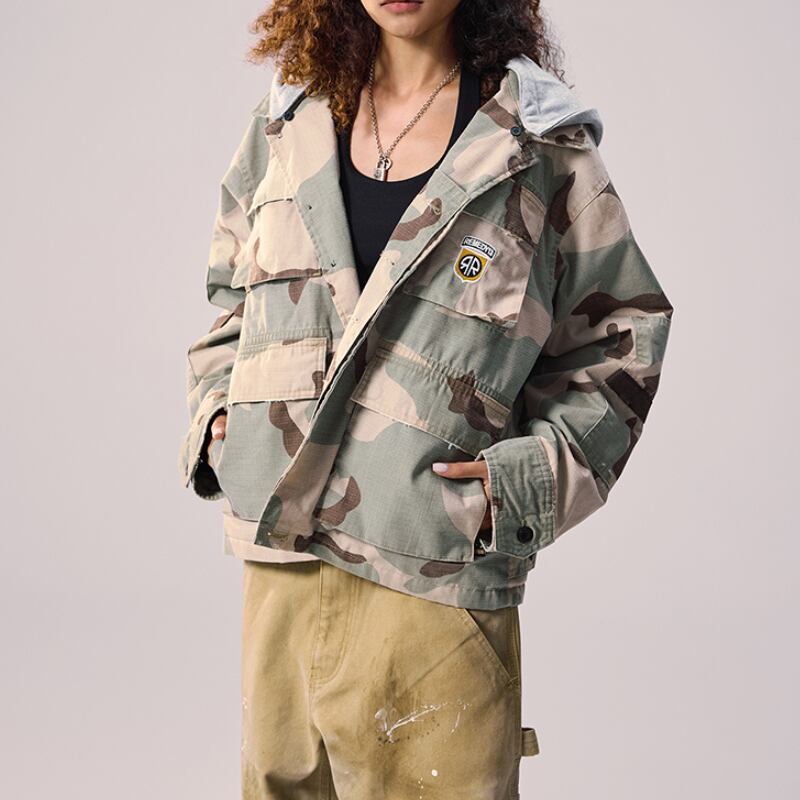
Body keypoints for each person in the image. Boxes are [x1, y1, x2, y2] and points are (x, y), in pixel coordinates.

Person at [177, 1, 675, 797]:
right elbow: (231, 301)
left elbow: (623, 333)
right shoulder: (287, 126)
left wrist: (523, 487)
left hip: (434, 591)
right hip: (281, 580)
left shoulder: (535, 149)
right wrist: (219, 423)